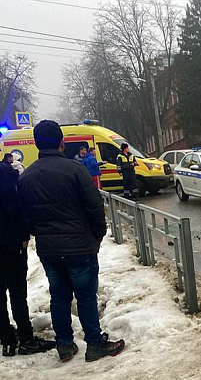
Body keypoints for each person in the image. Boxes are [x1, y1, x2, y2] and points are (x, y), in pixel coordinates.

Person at [18, 120, 125, 363]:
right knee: (86, 295)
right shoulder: (75, 170)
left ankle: (64, 345)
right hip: (79, 245)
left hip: (49, 249)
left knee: (59, 295)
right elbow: (94, 205)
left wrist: (40, 233)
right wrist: (99, 233)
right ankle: (95, 343)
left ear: (36, 144)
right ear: (61, 143)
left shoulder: (26, 177)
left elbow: (24, 217)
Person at [0, 152, 56, 356]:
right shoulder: (5, 173)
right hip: (9, 242)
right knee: (17, 292)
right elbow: (14, 207)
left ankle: (6, 339)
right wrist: (24, 233)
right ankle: (25, 338)